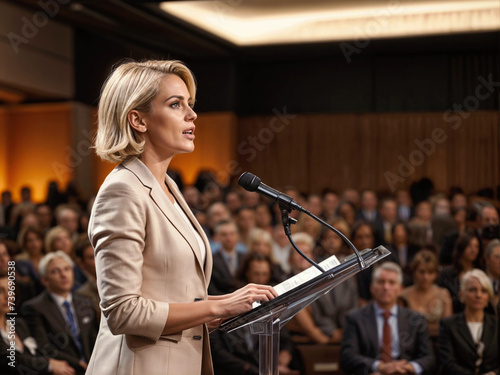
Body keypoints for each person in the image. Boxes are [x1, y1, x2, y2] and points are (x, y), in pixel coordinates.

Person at [86, 60, 276, 375]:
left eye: (190, 104)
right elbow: (122, 312)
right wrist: (219, 305)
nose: (192, 114)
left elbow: (172, 293)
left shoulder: (169, 187)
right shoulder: (122, 191)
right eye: (176, 104)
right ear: (138, 120)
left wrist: (222, 307)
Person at [340, 262, 435, 375]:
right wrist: (378, 366)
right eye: (381, 282)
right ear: (372, 287)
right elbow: (347, 357)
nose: (386, 287)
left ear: (400, 289)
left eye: (391, 283)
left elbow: (429, 358)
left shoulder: (416, 320)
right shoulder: (355, 318)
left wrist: (408, 367)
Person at [21, 251, 98, 374]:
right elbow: (44, 347)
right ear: (45, 280)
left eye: (67, 269)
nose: (63, 274)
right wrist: (78, 363)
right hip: (65, 370)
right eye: (56, 271)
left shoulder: (85, 303)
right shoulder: (33, 308)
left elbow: (95, 338)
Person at [0, 275, 76, 375]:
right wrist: (48, 365)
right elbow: (10, 360)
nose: (7, 296)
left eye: (10, 290)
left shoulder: (19, 324)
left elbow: (39, 351)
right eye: (1, 291)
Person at [438, 269, 499, 375]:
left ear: (488, 297)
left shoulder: (498, 325)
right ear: (462, 294)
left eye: (483, 291)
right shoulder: (448, 325)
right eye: (472, 290)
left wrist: (494, 373)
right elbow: (448, 363)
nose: (478, 295)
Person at [400, 250, 452, 336]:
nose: (425, 277)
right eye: (421, 272)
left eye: (430, 272)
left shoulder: (444, 294)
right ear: (414, 271)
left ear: (436, 274)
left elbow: (448, 327)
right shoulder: (404, 295)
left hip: (439, 343)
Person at [438, 231, 485, 313]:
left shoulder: (482, 273)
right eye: (469, 246)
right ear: (462, 247)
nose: (473, 250)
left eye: (476, 246)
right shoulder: (447, 274)